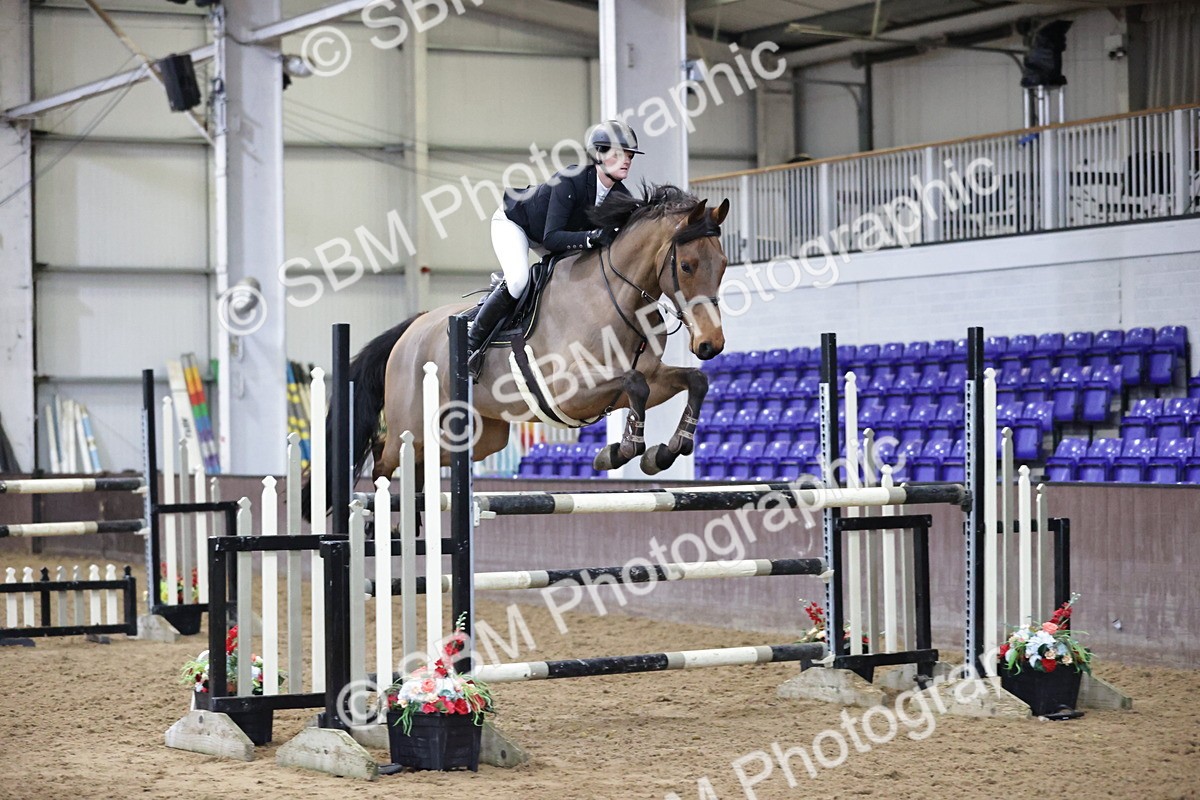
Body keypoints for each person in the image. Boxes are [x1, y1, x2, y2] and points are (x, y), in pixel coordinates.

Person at [466, 120, 644, 370]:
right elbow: (551, 238)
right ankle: (470, 343)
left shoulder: (622, 197)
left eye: (629, 155)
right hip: (516, 224)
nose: (626, 160)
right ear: (599, 155)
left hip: (557, 237)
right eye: (619, 154)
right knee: (518, 281)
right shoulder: (569, 180)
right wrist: (591, 237)